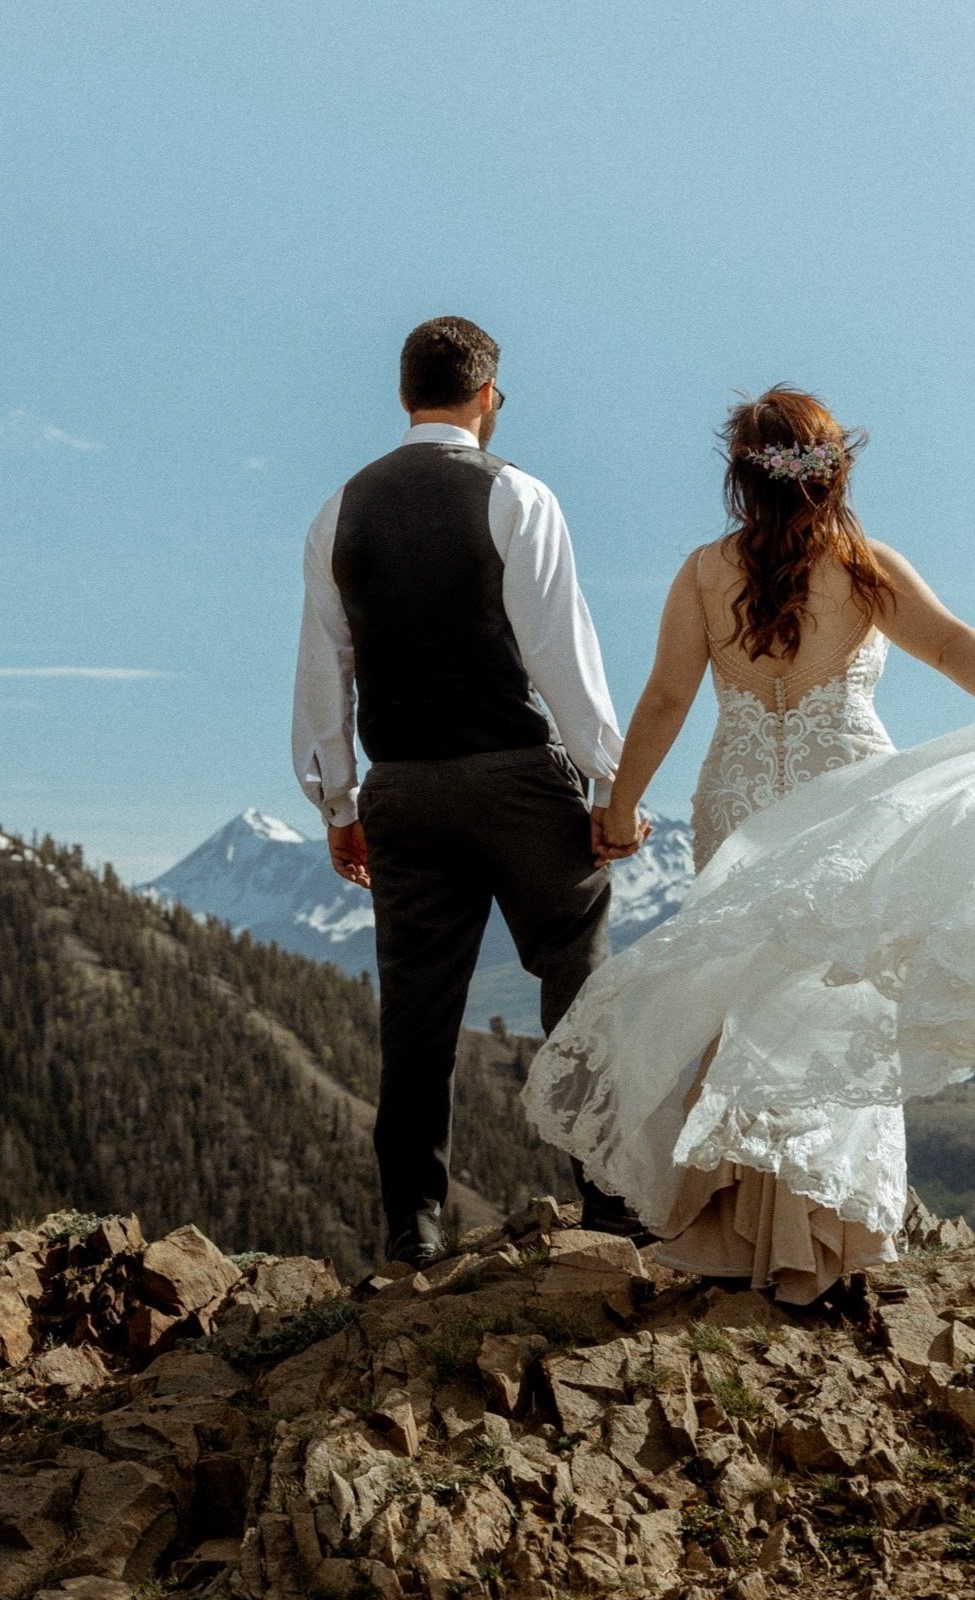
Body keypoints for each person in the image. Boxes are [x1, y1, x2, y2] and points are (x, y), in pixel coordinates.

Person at [522, 384, 975, 1304]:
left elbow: (666, 699)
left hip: (737, 802)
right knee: (840, 1007)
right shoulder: (862, 565)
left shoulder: (704, 572)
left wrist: (619, 808)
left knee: (741, 1001)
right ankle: (825, 1237)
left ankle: (733, 1228)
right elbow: (947, 643)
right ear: (834, 470)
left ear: (742, 479)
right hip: (850, 798)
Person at [291, 314, 647, 1266]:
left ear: (406, 395)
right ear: (488, 396)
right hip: (514, 775)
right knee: (577, 975)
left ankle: (412, 1228)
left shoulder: (339, 511)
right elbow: (560, 654)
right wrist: (611, 786)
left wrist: (339, 804)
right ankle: (608, 1200)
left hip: (400, 785)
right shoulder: (519, 496)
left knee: (417, 1012)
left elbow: (323, 671)